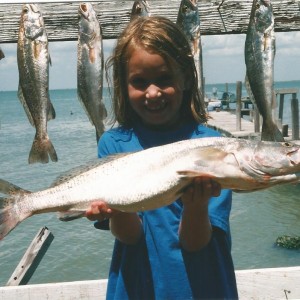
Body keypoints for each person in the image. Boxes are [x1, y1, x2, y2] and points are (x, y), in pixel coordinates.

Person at [86, 16, 238, 300]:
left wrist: (197, 206)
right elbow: (131, 237)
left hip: (203, 288)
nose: (153, 92)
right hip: (138, 288)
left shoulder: (212, 148)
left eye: (165, 79)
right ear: (123, 85)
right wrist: (119, 208)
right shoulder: (113, 144)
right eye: (139, 82)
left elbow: (195, 244)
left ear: (186, 78)